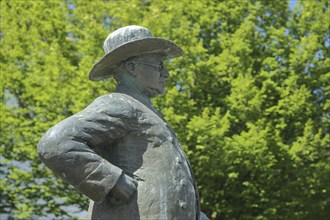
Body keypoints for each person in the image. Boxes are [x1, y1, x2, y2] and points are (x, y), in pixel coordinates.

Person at [38, 25, 209, 220]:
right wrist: (112, 181)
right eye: (159, 66)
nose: (166, 74)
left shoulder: (146, 110)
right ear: (132, 67)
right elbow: (55, 143)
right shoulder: (119, 103)